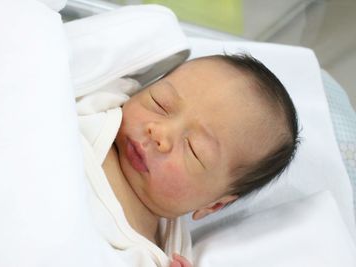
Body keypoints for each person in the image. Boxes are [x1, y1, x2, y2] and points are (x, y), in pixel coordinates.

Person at [78, 53, 300, 267]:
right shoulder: (95, 109)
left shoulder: (171, 253)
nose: (158, 133)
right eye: (160, 103)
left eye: (194, 150)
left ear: (213, 205)